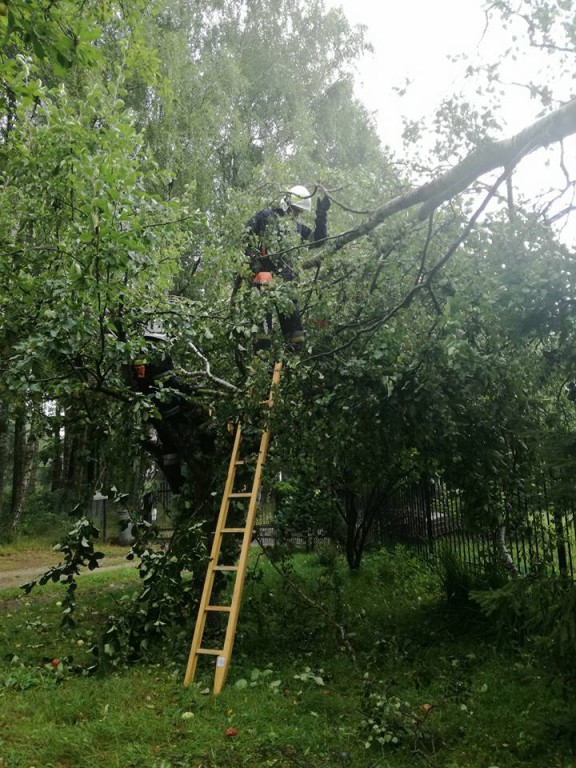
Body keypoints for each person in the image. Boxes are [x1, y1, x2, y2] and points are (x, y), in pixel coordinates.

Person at [244, 184, 330, 353]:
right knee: (263, 336)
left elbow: (318, 240)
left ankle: (285, 369)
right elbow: (246, 236)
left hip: (286, 282)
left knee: (295, 337)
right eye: (296, 210)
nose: (297, 215)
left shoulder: (297, 227)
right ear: (287, 204)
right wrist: (252, 260)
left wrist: (322, 215)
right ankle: (260, 364)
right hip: (264, 277)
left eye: (300, 212)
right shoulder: (265, 217)